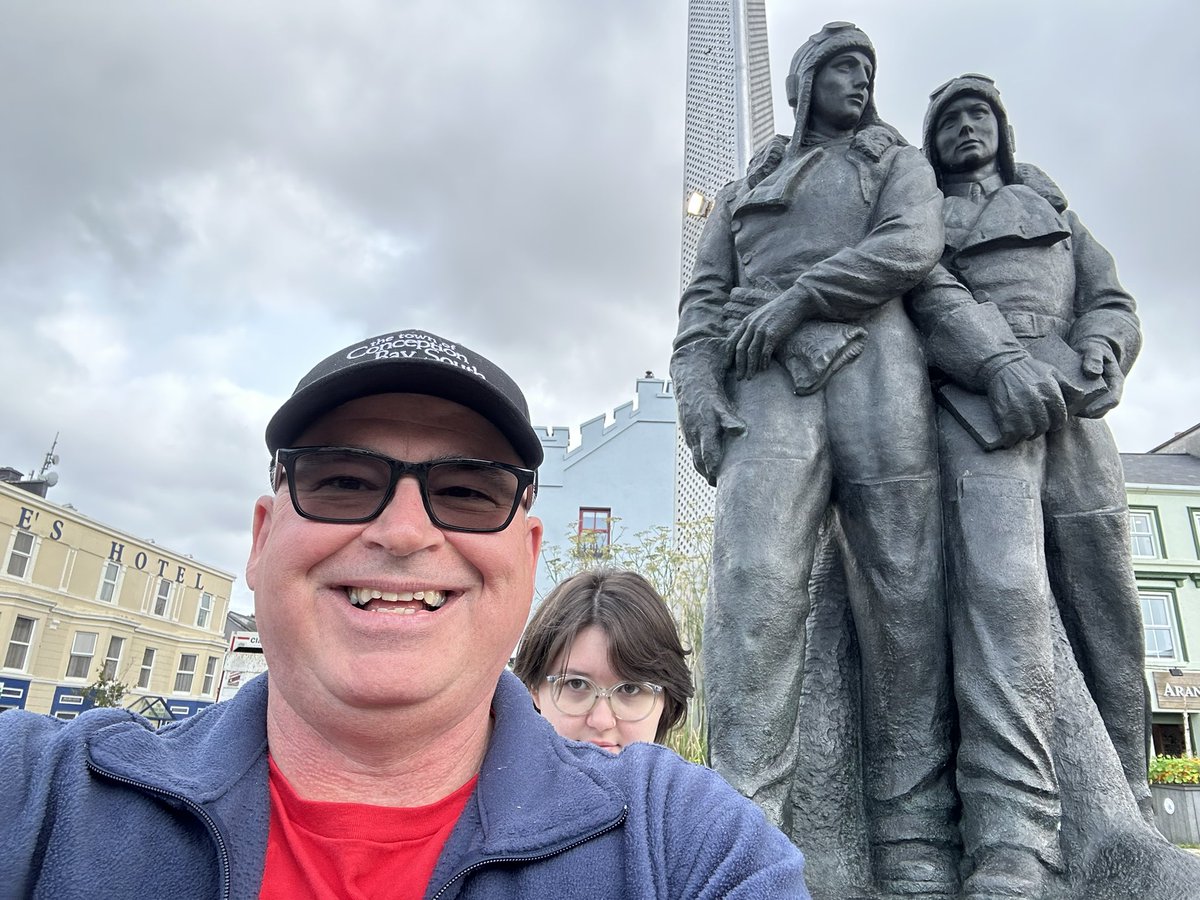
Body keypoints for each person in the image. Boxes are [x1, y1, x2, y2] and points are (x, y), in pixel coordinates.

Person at [0, 329, 808, 899]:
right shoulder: (40, 798)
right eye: (342, 480)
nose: (404, 532)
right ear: (260, 538)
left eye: (466, 492)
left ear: (527, 561)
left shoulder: (679, 845)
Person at [671, 21, 956, 895]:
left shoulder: (892, 160)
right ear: (801, 85)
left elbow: (913, 245)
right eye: (841, 69)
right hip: (766, 388)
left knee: (905, 591)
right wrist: (698, 394)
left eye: (868, 69)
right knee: (752, 583)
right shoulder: (744, 185)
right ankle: (740, 828)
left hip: (880, 371)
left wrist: (800, 298)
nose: (860, 83)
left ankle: (913, 842)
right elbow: (703, 302)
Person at [907, 75, 1147, 898]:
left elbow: (1111, 299)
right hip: (980, 412)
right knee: (1002, 597)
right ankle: (1014, 835)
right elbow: (928, 305)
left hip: (1077, 417)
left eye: (979, 115)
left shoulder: (1055, 212)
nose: (966, 129)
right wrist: (994, 365)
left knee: (1105, 603)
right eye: (949, 121)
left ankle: (1128, 799)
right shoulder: (924, 219)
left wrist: (1106, 349)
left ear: (1001, 130)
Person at [513, 569, 694, 752]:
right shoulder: (494, 778)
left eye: (629, 688)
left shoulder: (700, 781)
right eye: (576, 684)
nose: (602, 721)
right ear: (533, 689)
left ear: (667, 701)